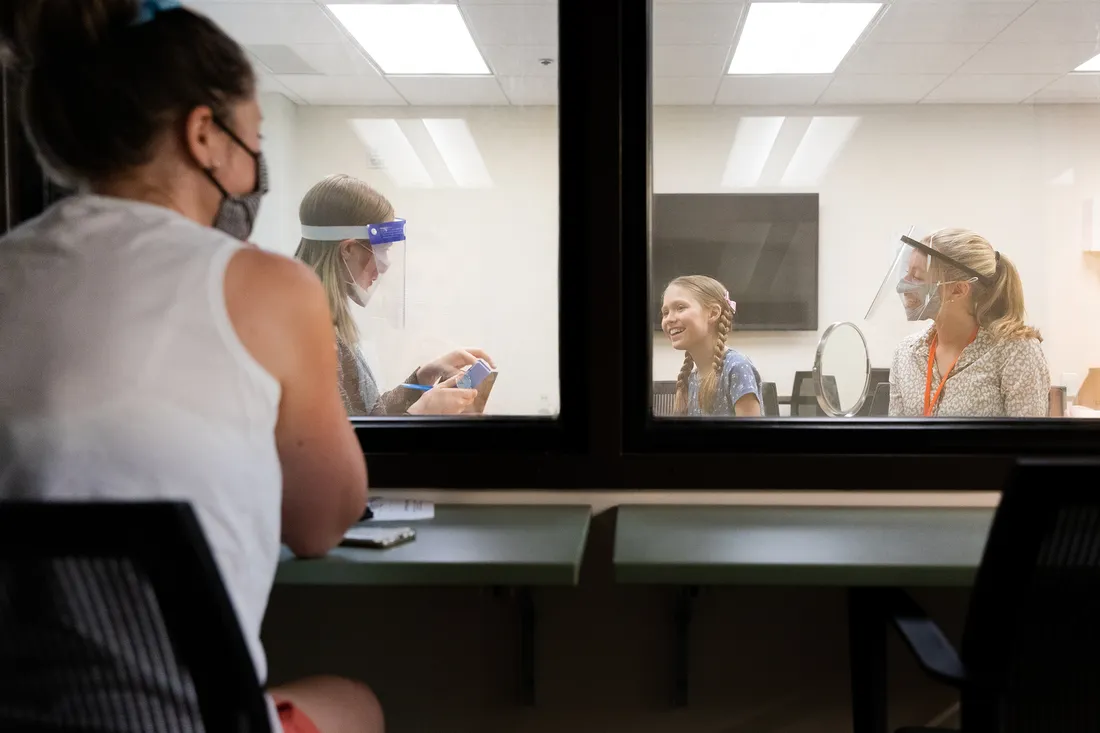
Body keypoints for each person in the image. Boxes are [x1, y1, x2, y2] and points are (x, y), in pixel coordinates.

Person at [0, 2, 381, 732]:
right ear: (204, 133)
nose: (254, 164)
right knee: (357, 701)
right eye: (254, 137)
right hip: (177, 723)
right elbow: (321, 524)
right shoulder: (271, 287)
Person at [295, 174, 494, 417]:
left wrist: (423, 377)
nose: (386, 264)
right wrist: (422, 412)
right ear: (347, 249)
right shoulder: (304, 334)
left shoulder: (322, 319)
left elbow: (365, 416)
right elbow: (349, 445)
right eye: (381, 250)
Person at [882, 228, 1050, 417]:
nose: (903, 286)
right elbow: (895, 439)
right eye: (907, 273)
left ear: (959, 290)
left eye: (918, 276)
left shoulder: (1015, 352)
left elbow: (1030, 442)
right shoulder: (906, 353)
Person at [660, 275, 763, 417]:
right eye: (665, 313)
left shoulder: (736, 368)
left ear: (713, 313)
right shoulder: (691, 379)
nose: (669, 319)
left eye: (680, 308)